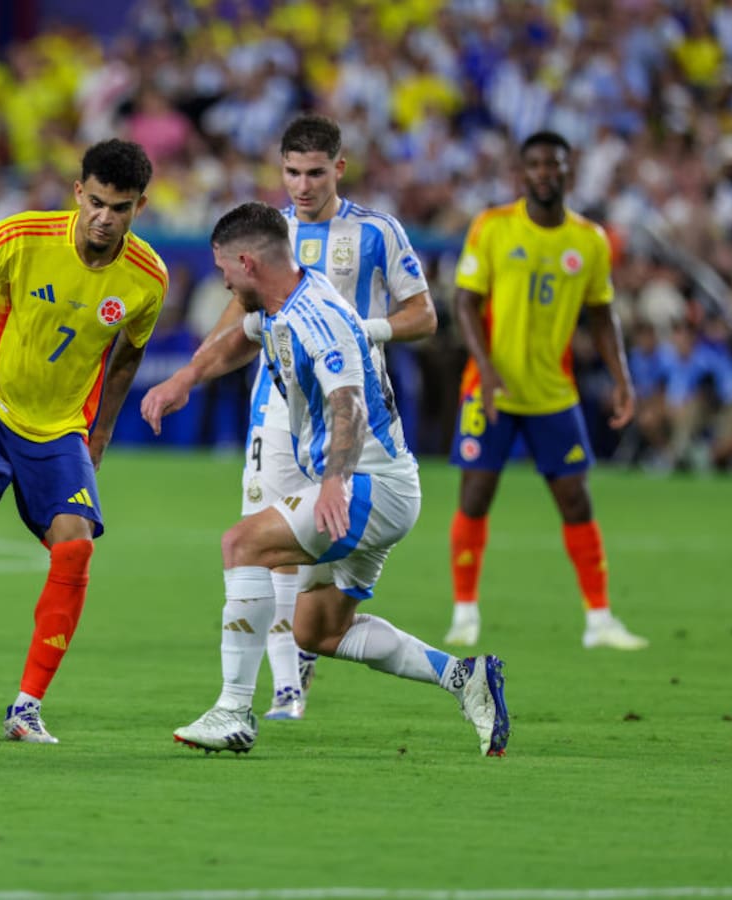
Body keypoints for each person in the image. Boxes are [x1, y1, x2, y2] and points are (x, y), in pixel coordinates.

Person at [142, 202, 508, 757]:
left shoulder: (318, 316)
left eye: (225, 271)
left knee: (243, 543)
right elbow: (245, 336)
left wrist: (335, 481)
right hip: (379, 485)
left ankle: (233, 711)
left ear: (247, 263)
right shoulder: (282, 301)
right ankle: (466, 677)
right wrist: (186, 378)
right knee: (319, 631)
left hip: (369, 485)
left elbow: (348, 402)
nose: (223, 283)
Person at [144, 114, 437, 722]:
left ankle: (263, 690)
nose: (302, 185)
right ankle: (285, 685)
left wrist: (361, 331)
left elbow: (424, 316)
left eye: (314, 173)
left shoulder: (376, 231)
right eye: (292, 172)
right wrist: (189, 374)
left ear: (339, 168)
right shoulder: (269, 234)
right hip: (278, 405)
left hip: (348, 402)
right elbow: (241, 320)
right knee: (264, 540)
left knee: (281, 548)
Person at [0, 139, 167, 743]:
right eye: (95, 202)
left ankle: (25, 710)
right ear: (78, 193)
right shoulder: (24, 236)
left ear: (140, 207)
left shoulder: (148, 278)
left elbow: (130, 354)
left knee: (75, 547)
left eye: (120, 208)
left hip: (60, 427)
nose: (104, 217)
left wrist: (100, 431)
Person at [444, 130, 648, 651]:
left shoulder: (590, 240)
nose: (544, 173)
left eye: (553, 164)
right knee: (476, 495)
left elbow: (601, 314)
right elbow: (465, 302)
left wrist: (622, 378)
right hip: (490, 389)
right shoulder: (493, 226)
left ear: (568, 172)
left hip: (553, 392)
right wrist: (486, 367)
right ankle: (464, 613)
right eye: (534, 164)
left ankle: (599, 619)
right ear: (521, 173)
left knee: (576, 500)